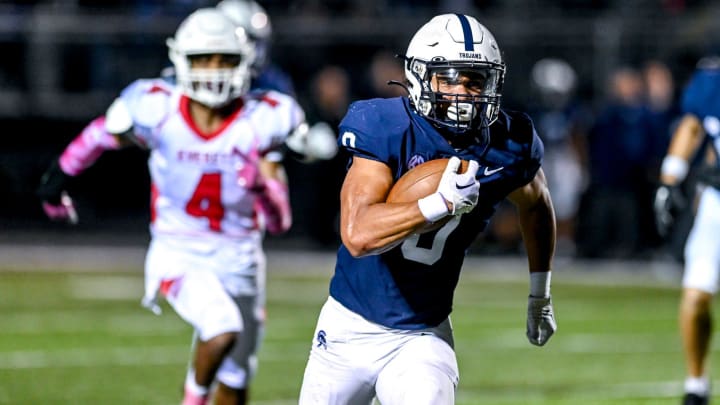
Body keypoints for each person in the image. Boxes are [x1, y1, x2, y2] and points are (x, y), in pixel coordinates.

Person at [36, 8, 304, 405]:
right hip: (178, 251)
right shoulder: (157, 107)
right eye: (202, 59)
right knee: (222, 328)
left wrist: (262, 187)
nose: (213, 70)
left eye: (224, 60)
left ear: (245, 63)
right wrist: (56, 177)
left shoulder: (264, 117)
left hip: (241, 258)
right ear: (181, 61)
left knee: (236, 378)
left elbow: (279, 222)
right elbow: (100, 135)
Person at [298, 13, 557, 404]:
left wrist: (541, 293)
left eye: (476, 80)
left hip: (423, 334)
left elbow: (536, 203)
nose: (464, 92)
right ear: (420, 77)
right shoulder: (386, 126)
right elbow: (358, 234)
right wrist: (437, 203)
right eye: (450, 77)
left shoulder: (508, 143)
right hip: (347, 327)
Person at [654, 57, 720, 405]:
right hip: (717, 200)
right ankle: (696, 383)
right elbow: (693, 126)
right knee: (695, 297)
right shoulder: (712, 81)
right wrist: (670, 178)